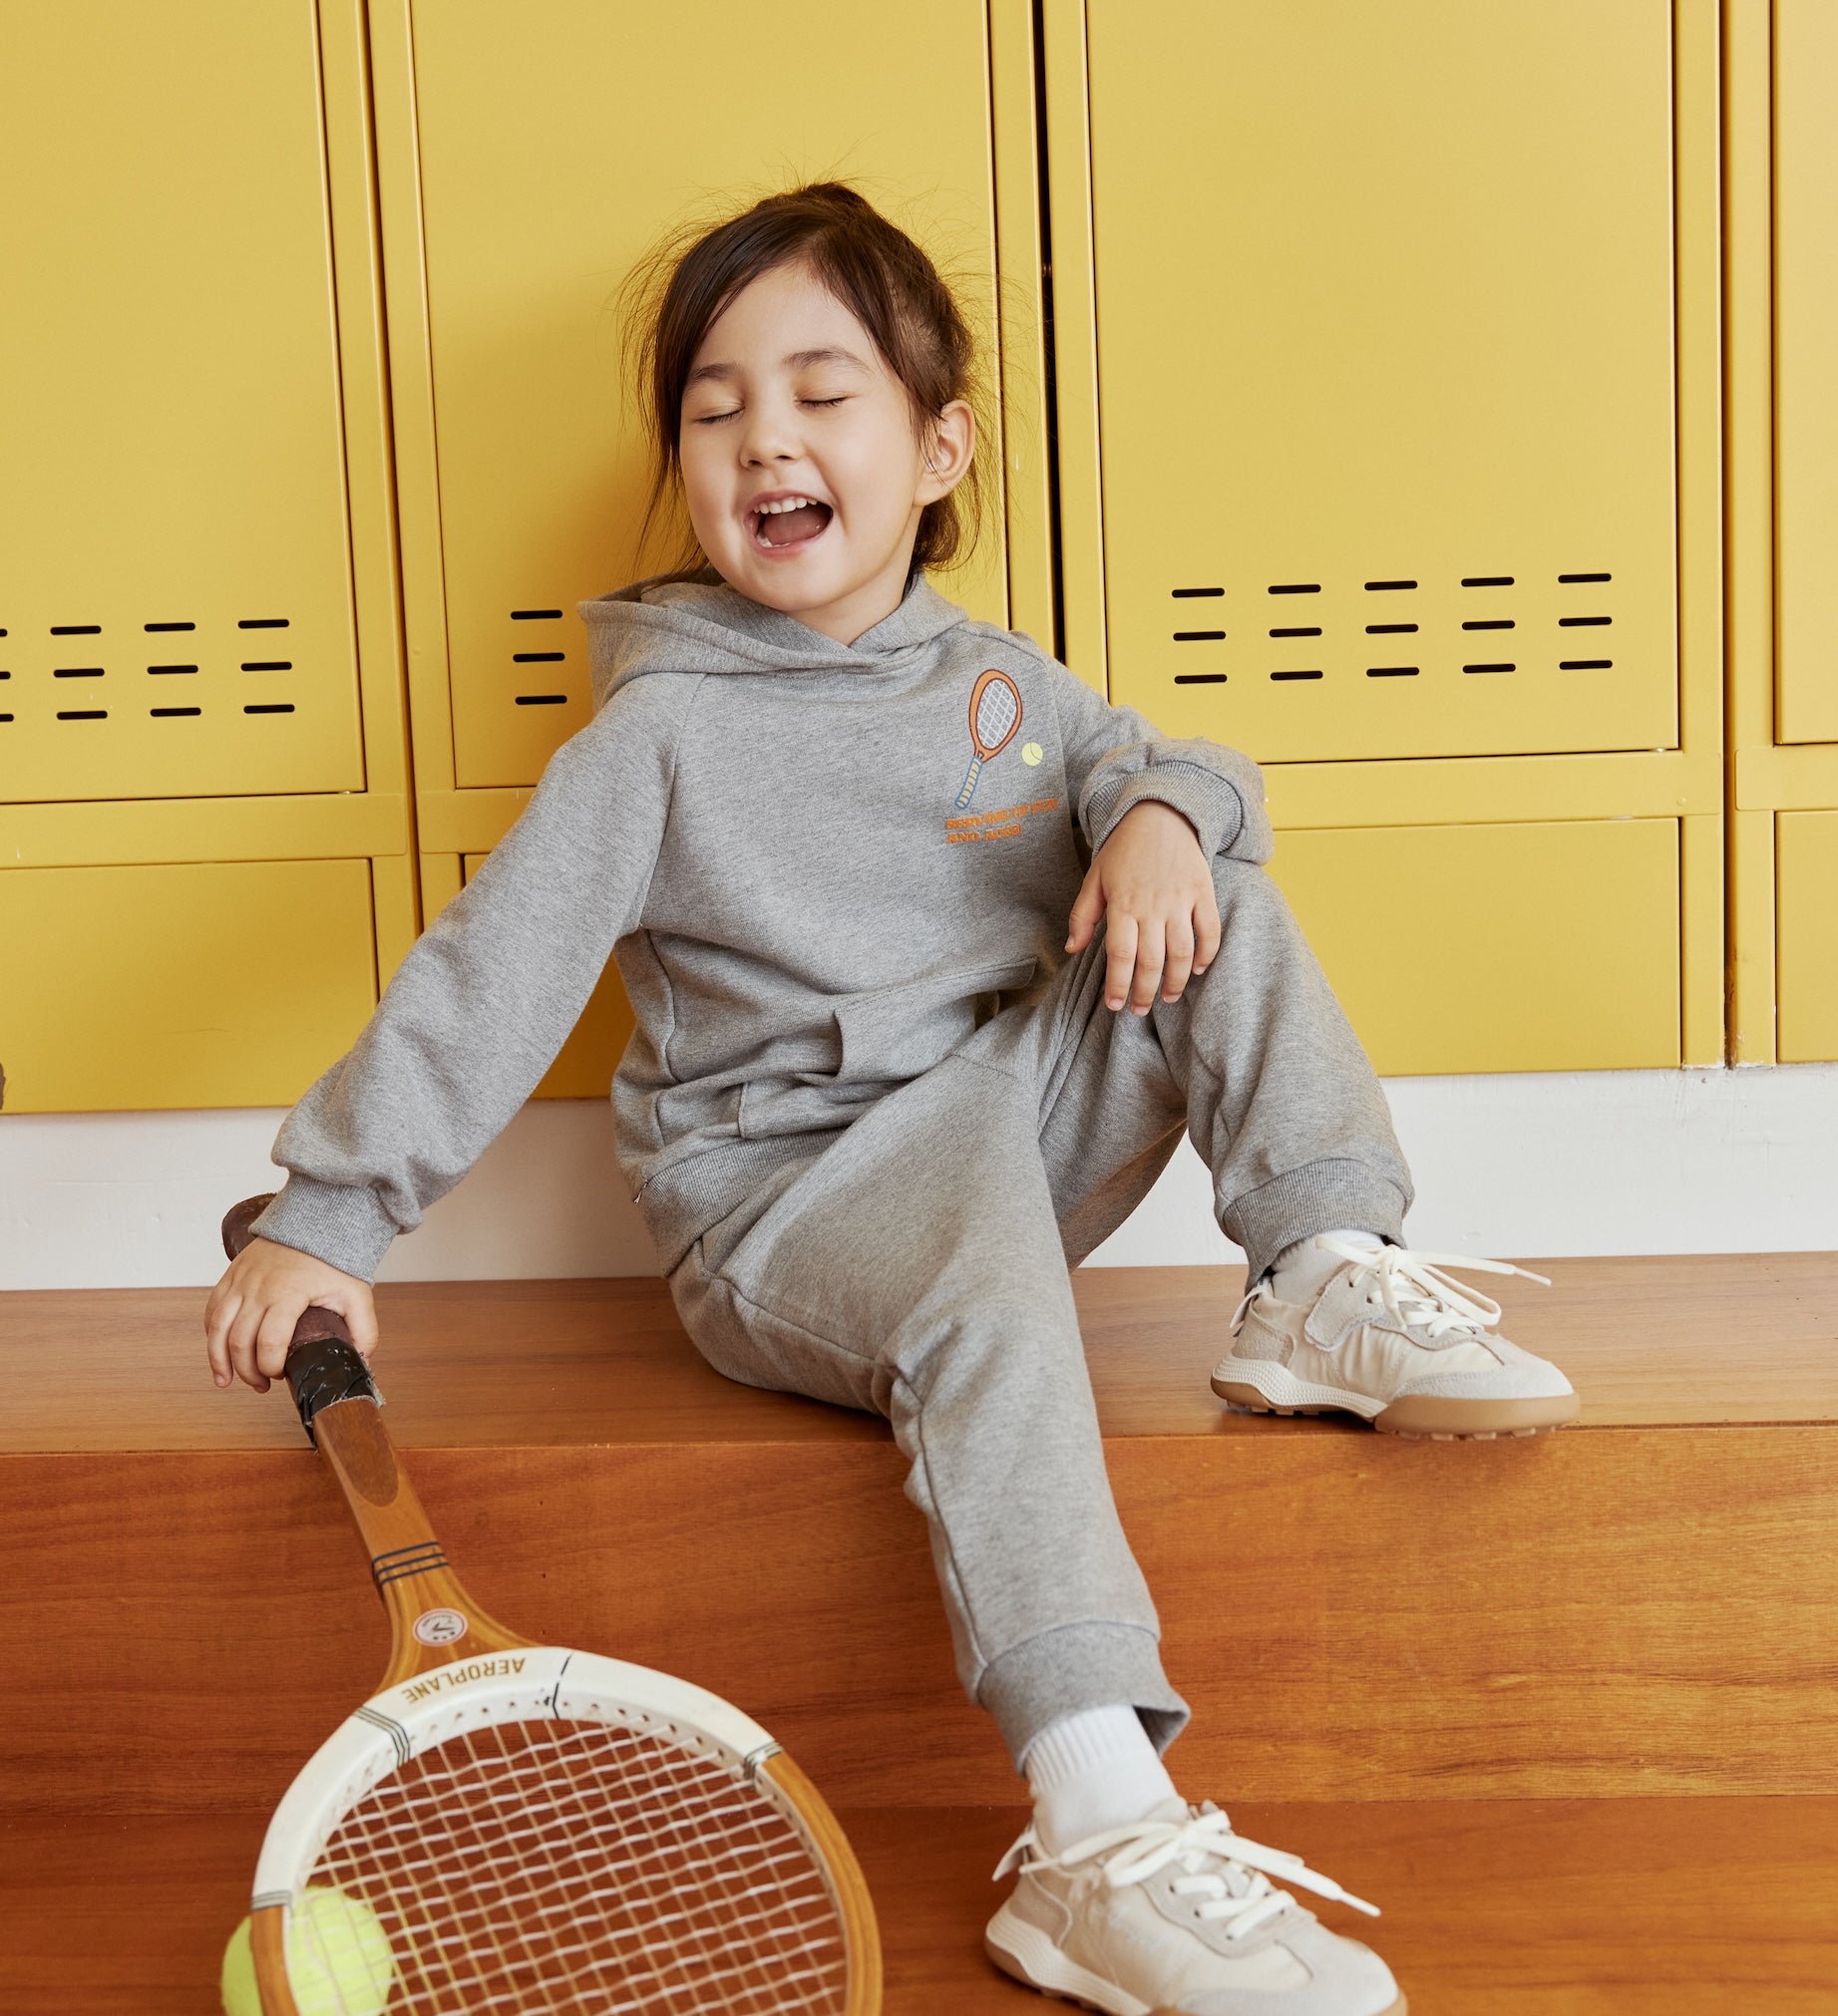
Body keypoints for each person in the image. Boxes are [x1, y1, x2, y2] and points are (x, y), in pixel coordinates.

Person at [203, 182, 1577, 2016]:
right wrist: (330, 1210)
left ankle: (1320, 1265)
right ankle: (1097, 1830)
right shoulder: (664, 734)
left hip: (998, 1123)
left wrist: (1159, 813)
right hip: (788, 1200)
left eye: (818, 391)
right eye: (713, 405)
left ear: (936, 448)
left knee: (1208, 877)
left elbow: (1169, 763)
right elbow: (493, 967)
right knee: (986, 1276)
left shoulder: (998, 685)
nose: (762, 435)